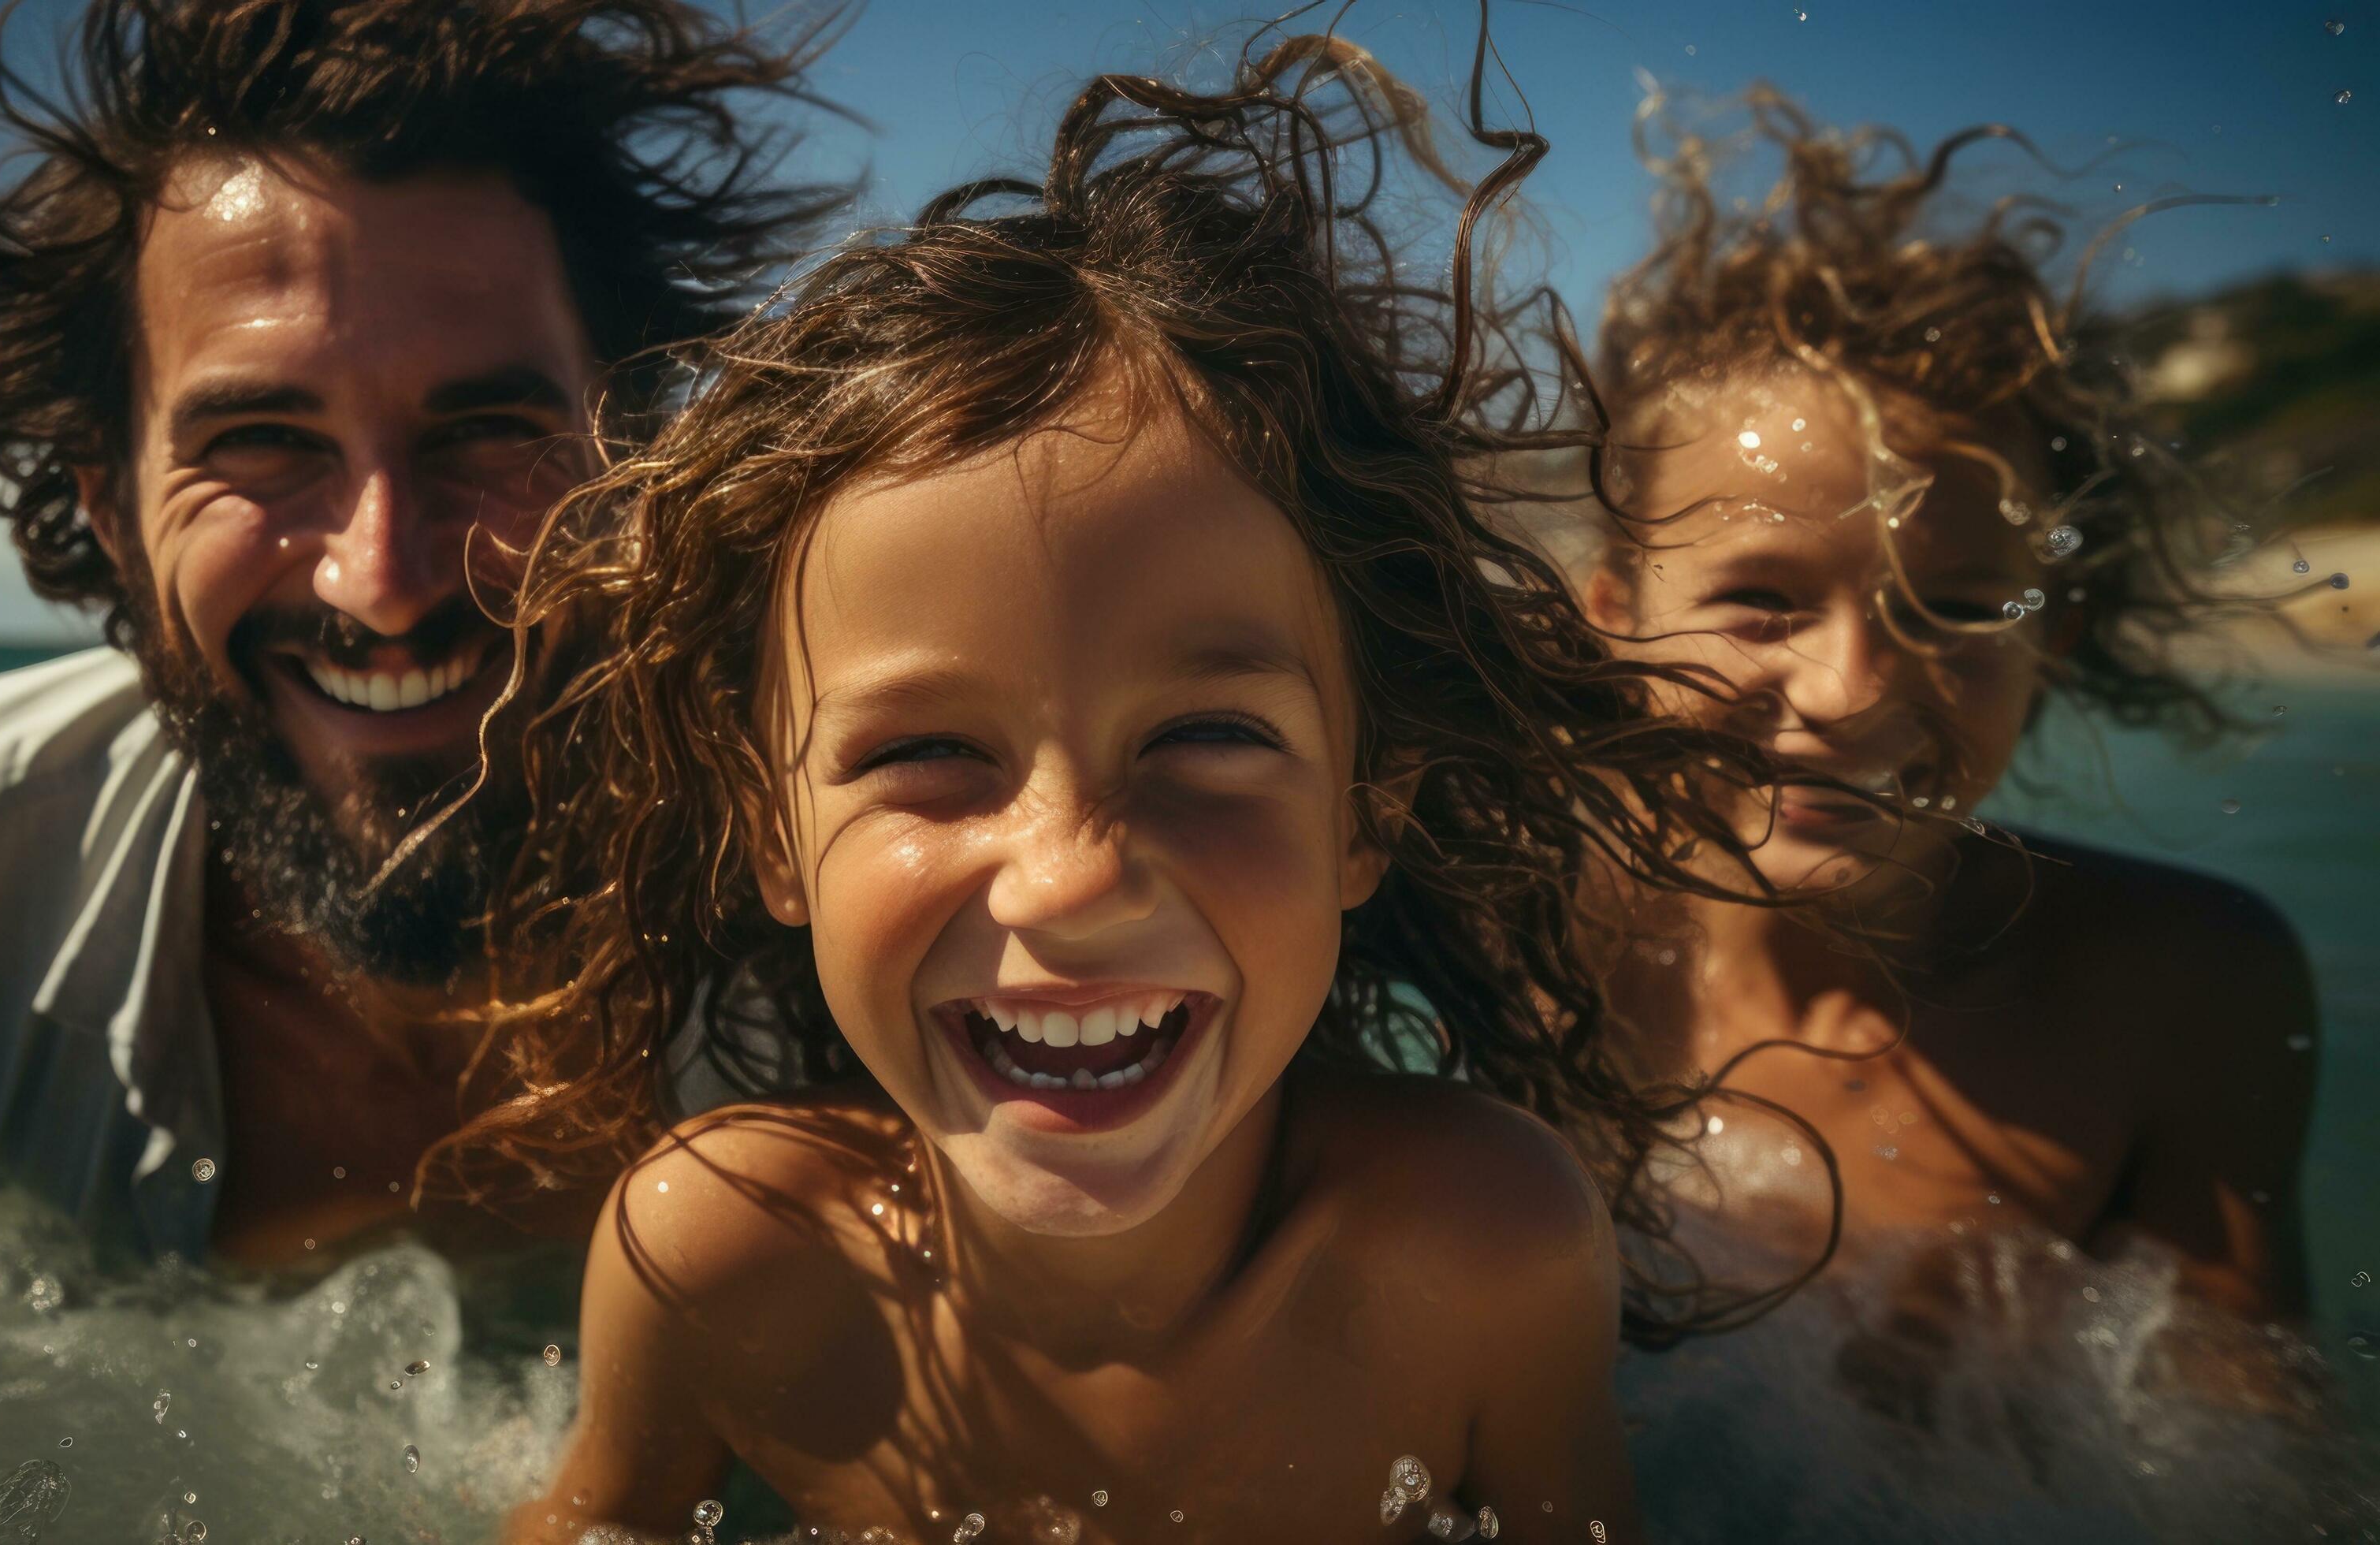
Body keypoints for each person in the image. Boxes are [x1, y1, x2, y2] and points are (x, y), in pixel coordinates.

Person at [482, 38, 1779, 1543]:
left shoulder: (1478, 1257)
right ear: (772, 831)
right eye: (923, 756)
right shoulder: (724, 1261)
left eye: (1205, 740)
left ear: (1366, 807)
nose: (1068, 876)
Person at [0, 0, 839, 1268]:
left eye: (486, 430)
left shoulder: (871, 907)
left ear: (637, 457)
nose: (382, 582)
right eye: (262, 444)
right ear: (108, 504)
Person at [1575, 90, 2319, 1323]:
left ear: (2051, 639)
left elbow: (2253, 1468)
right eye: (1761, 597)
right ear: (1617, 617)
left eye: (1957, 612)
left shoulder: (2179, 991)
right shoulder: (1514, 921)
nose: (1850, 691)